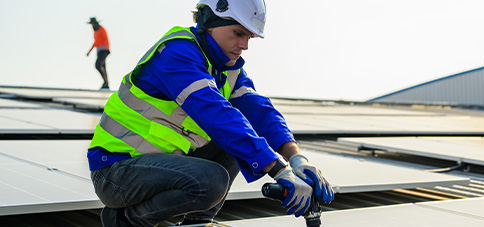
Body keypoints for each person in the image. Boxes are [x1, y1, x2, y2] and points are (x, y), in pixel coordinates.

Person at [87, 0, 334, 226]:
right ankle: (126, 220)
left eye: (249, 37)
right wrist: (279, 170)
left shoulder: (227, 68)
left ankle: (197, 223)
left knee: (239, 139)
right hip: (116, 172)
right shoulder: (177, 54)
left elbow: (260, 112)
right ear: (209, 22)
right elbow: (216, 113)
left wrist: (297, 158)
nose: (244, 46)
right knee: (212, 179)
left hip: (160, 166)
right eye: (239, 34)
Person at [86, 17, 110, 90]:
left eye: (92, 24)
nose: (92, 25)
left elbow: (106, 39)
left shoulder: (102, 29)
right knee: (103, 67)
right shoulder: (95, 32)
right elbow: (95, 43)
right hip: (99, 51)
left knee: (98, 65)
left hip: (104, 50)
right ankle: (106, 84)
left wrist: (107, 50)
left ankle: (105, 82)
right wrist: (89, 51)